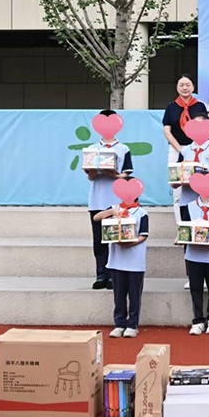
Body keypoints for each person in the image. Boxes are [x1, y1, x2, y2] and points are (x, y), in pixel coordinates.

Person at [175, 112, 209, 290]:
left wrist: (205, 179)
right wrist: (180, 180)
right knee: (189, 236)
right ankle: (192, 276)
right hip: (188, 201)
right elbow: (176, 178)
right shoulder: (184, 151)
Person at [93, 183, 148, 338]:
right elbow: (96, 218)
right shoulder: (115, 209)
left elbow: (144, 235)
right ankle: (119, 323)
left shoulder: (142, 213)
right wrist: (112, 212)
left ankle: (132, 324)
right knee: (119, 296)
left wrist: (129, 243)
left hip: (135, 263)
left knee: (134, 296)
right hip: (116, 262)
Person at [86, 109, 133, 290]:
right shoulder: (91, 149)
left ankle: (114, 275)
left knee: (115, 238)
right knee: (99, 240)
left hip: (116, 199)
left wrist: (114, 174)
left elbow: (127, 174)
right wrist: (92, 172)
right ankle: (101, 275)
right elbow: (90, 177)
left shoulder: (123, 149)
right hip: (97, 200)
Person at [179, 186, 209, 335]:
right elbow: (185, 229)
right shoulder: (189, 206)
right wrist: (181, 238)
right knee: (196, 288)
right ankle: (198, 319)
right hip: (194, 254)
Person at [162, 75, 209, 221]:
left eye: (188, 85)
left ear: (193, 87)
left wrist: (192, 149)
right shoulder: (171, 107)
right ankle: (181, 226)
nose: (184, 88)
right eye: (181, 85)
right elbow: (167, 132)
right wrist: (181, 150)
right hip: (176, 150)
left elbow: (205, 129)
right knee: (178, 189)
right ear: (177, 87)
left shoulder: (200, 106)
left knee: (198, 187)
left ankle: (199, 222)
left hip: (196, 150)